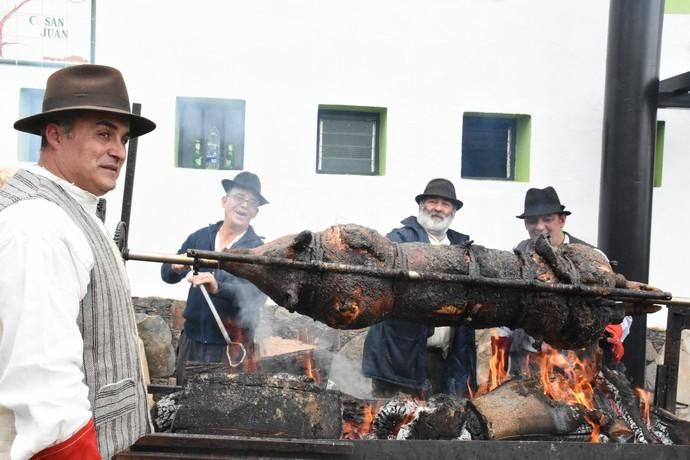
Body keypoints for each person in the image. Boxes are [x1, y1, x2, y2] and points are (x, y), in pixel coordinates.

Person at [0, 65, 156, 459]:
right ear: (54, 134)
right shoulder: (40, 225)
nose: (119, 151)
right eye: (103, 134)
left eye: (122, 138)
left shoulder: (72, 212)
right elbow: (43, 382)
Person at [496, 186, 631, 375]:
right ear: (525, 224)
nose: (540, 226)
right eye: (532, 221)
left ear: (562, 220)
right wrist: (499, 354)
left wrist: (615, 331)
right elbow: (505, 311)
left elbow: (618, 308)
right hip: (528, 363)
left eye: (547, 219)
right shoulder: (516, 256)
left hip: (575, 365)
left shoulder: (593, 258)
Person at [362, 178, 477, 398]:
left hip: (443, 359)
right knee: (395, 422)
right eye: (433, 202)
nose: (438, 209)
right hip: (400, 358)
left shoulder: (462, 247)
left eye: (445, 204)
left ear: (453, 211)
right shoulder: (398, 240)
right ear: (421, 207)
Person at [161, 171, 268, 385]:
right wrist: (175, 266)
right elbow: (166, 275)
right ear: (225, 201)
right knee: (183, 404)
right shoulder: (200, 237)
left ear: (255, 212)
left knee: (228, 411)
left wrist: (218, 287)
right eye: (239, 197)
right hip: (192, 342)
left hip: (232, 348)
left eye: (251, 202)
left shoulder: (259, 250)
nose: (244, 205)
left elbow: (256, 296)